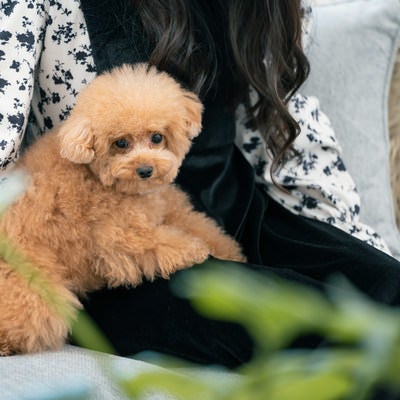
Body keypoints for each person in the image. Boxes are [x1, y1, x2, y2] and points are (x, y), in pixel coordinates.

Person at [1, 0, 400, 369]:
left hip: (236, 208)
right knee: (333, 330)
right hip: (113, 250)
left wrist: (357, 242)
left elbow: (281, 131)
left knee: (389, 288)